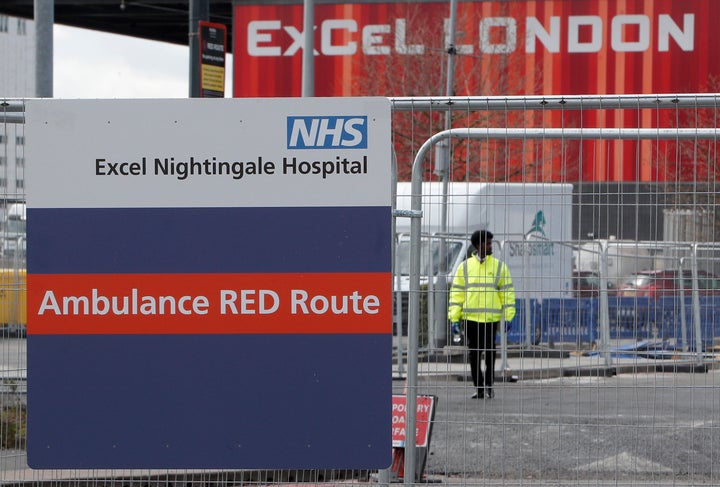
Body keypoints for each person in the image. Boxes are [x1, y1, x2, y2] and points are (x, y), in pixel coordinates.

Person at [448, 230, 516, 399]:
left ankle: (489, 386)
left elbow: (507, 293)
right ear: (478, 245)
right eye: (487, 243)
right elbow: (457, 294)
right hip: (471, 319)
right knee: (474, 353)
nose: (490, 245)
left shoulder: (500, 267)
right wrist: (454, 318)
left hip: (490, 319)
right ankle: (478, 388)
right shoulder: (464, 267)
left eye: (491, 242)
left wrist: (509, 316)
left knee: (490, 352)